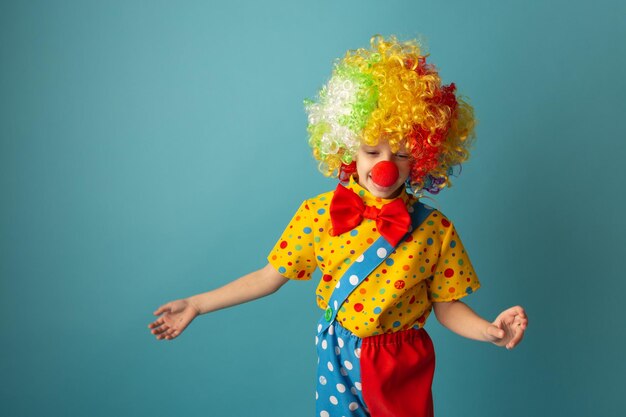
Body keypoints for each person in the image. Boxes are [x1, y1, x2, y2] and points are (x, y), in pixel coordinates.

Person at [148, 35, 528, 417]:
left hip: (399, 362)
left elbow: (447, 308)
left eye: (401, 154)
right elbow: (268, 276)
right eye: (372, 150)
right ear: (348, 147)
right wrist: (196, 304)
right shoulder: (318, 213)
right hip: (336, 353)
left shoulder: (434, 229)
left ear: (424, 159)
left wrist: (488, 332)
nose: (385, 165)